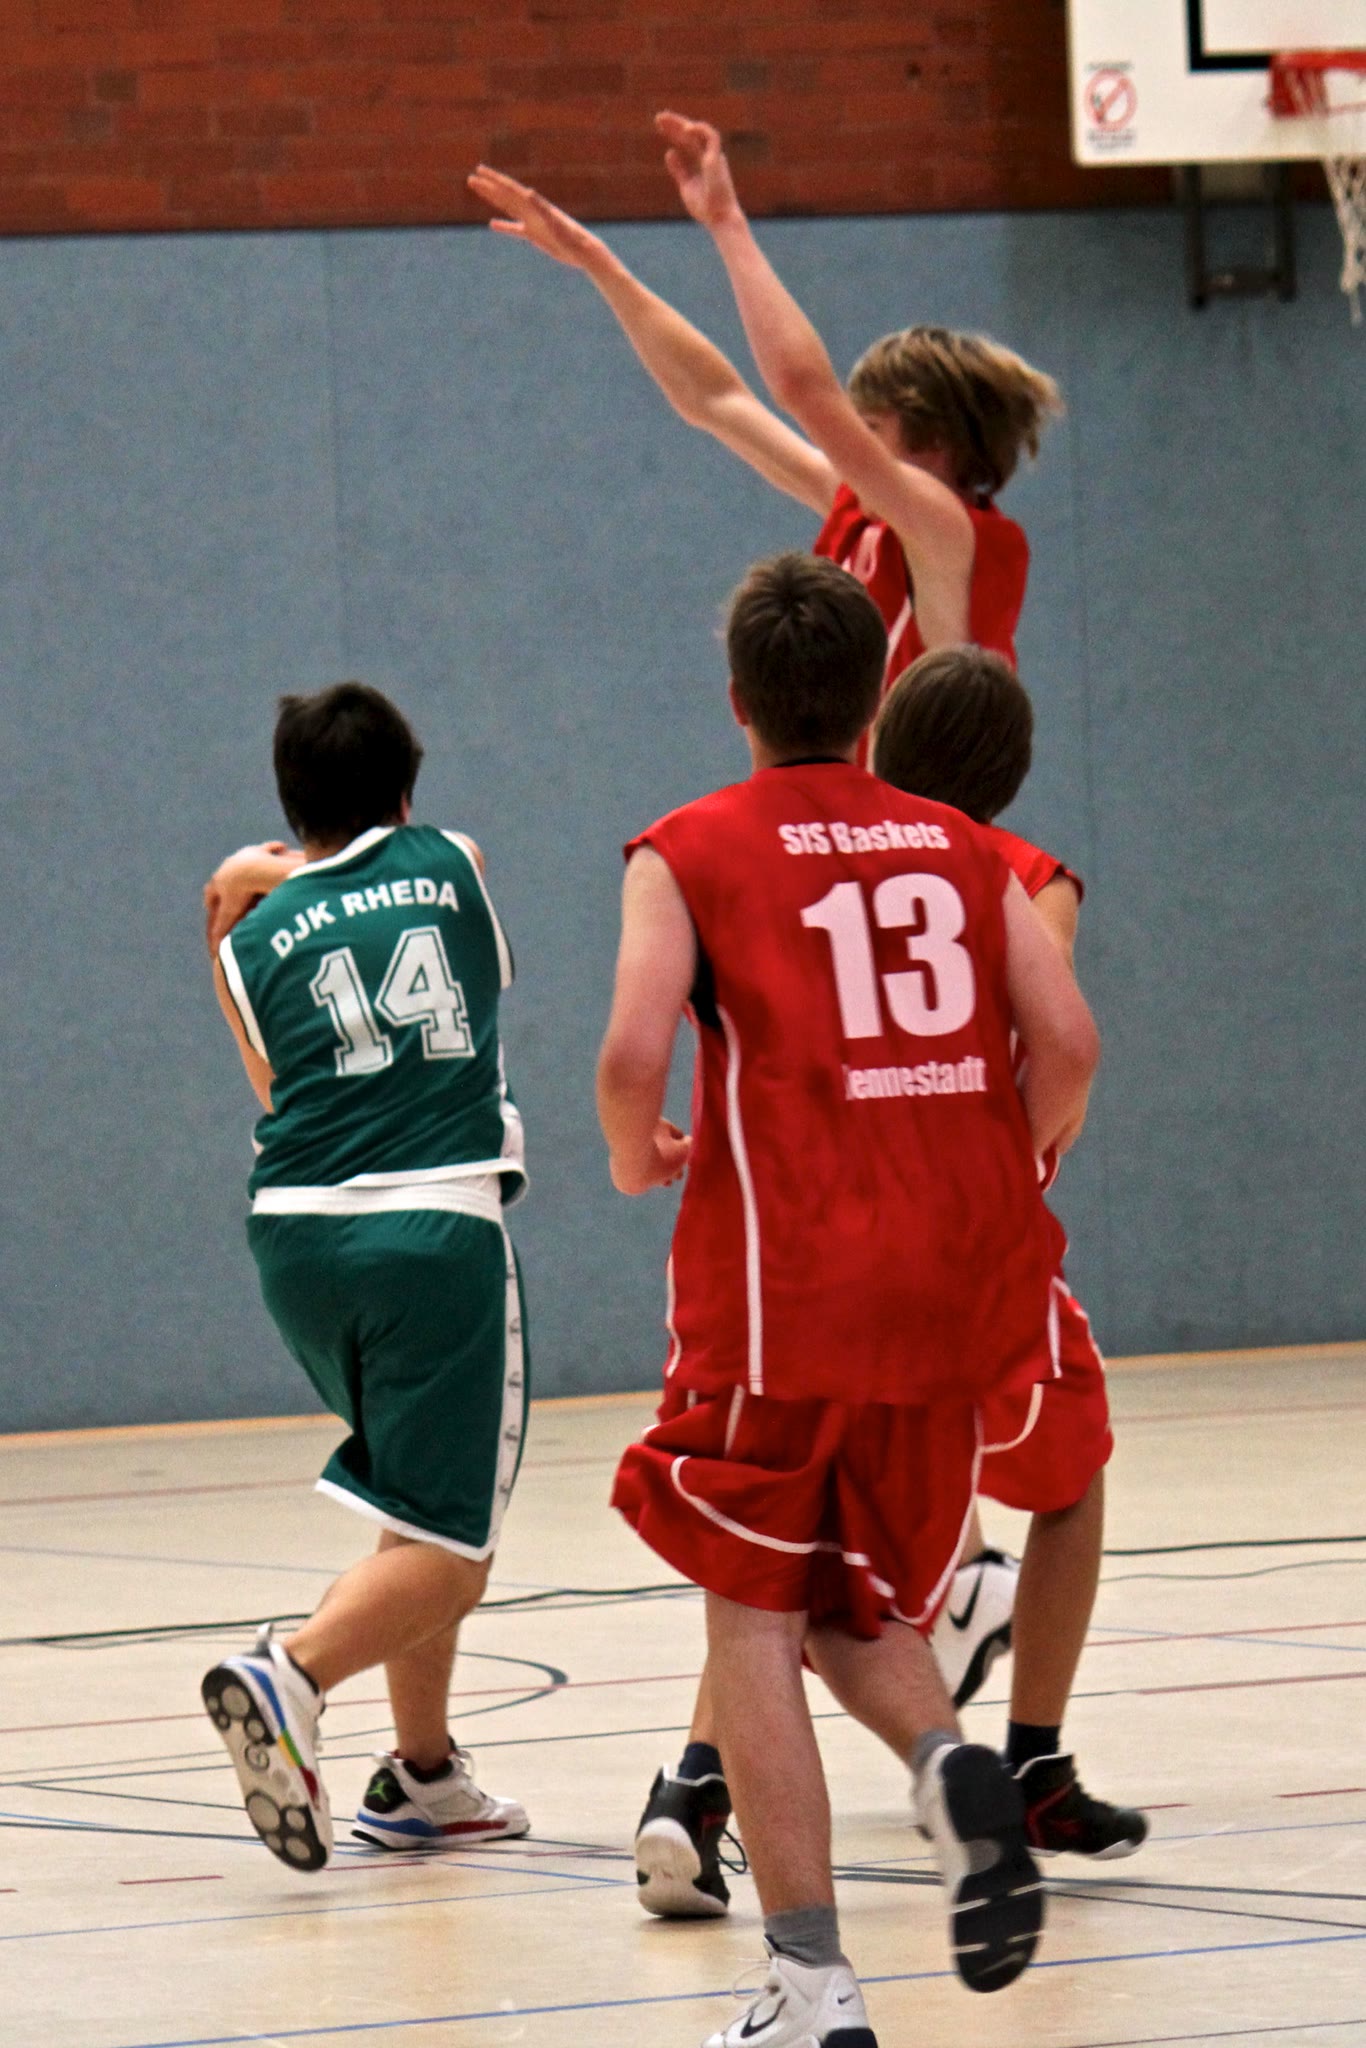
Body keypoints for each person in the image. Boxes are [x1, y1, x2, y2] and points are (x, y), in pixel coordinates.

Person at [598, 554, 1099, 2043]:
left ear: (738, 700)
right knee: (848, 1598)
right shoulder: (963, 845)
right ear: (875, 699)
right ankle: (949, 1764)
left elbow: (632, 1055)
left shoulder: (685, 845)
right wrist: (1013, 1150)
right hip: (956, 1287)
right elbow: (1068, 1040)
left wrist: (635, 1153)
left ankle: (810, 1980)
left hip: (788, 1285)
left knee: (751, 1614)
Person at [201, 681, 531, 1873]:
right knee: (457, 1551)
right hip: (431, 1232)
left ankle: (424, 1776)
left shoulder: (245, 940)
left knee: (414, 1502)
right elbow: (427, 859)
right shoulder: (451, 864)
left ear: (293, 806)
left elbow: (275, 1088)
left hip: (294, 1241)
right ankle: (289, 1672)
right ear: (405, 789)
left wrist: (252, 880)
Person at [468, 116, 1060, 713]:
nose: (849, 442)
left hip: (924, 779)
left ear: (933, 439)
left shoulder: (950, 533)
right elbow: (716, 400)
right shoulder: (865, 514)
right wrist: (602, 266)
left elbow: (803, 389)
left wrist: (728, 224)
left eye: (871, 428)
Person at [874, 647, 1145, 1859]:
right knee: (1069, 1481)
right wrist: (1021, 1151)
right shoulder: (1029, 875)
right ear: (1013, 768)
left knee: (786, 1537)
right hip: (975, 1244)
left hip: (835, 1235)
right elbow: (1059, 1043)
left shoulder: (834, 865)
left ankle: (699, 1780)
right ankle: (1029, 1758)